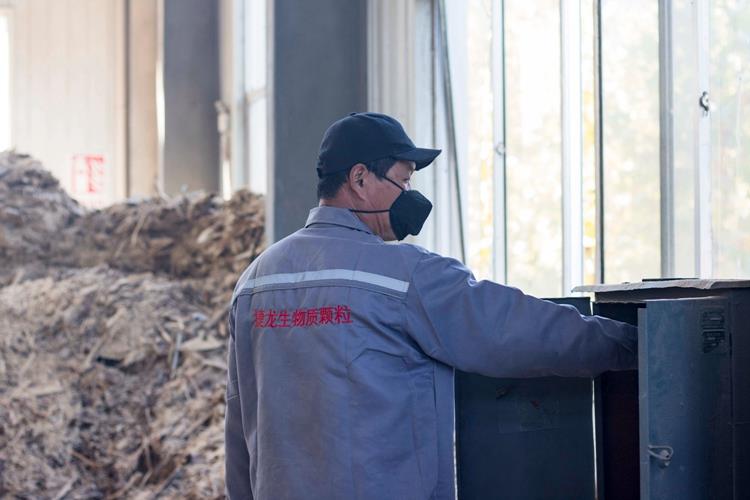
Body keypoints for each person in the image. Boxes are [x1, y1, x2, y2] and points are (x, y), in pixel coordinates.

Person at [224, 112, 637, 500]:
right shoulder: (404, 276)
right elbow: (517, 329)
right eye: (403, 182)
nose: (410, 196)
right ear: (360, 179)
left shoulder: (256, 281)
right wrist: (638, 344)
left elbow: (240, 423)